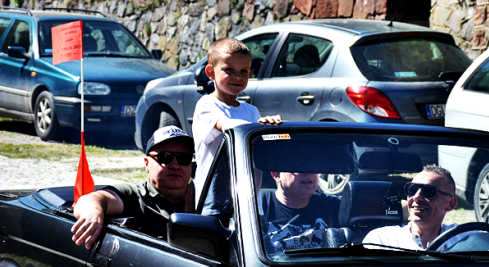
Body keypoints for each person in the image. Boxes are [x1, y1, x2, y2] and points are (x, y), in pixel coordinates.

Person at [363, 126, 489, 251]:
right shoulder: (381, 240)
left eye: (429, 191)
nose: (417, 197)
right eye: (412, 190)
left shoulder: (467, 238)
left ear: (450, 204)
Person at [71, 125, 194, 248]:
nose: (175, 165)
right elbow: (92, 199)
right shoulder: (136, 196)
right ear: (147, 164)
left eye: (183, 158)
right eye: (165, 157)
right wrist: (94, 212)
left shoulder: (203, 199)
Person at [192, 38, 281, 206]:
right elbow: (225, 125)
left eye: (244, 71)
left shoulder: (251, 111)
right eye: (229, 70)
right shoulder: (206, 105)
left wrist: (271, 128)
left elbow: (261, 149)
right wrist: (257, 128)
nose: (237, 77)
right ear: (210, 72)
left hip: (247, 201)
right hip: (215, 200)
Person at [261, 172, 341, 253]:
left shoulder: (333, 205)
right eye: (298, 165)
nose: (308, 172)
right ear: (276, 175)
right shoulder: (257, 207)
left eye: (313, 166)